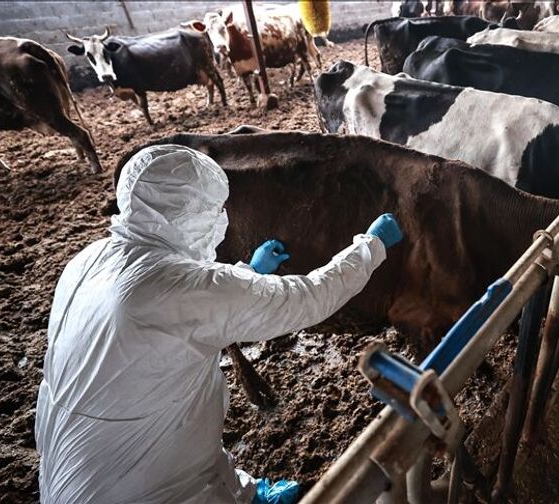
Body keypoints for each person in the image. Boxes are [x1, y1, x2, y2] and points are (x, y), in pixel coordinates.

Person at [34, 145, 403, 503]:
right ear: (188, 212)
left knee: (187, 430)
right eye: (211, 207)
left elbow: (186, 299)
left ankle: (244, 494)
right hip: (139, 489)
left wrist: (247, 273)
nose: (219, 217)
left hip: (71, 464)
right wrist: (370, 246)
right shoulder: (175, 289)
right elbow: (309, 296)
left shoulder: (88, 259)